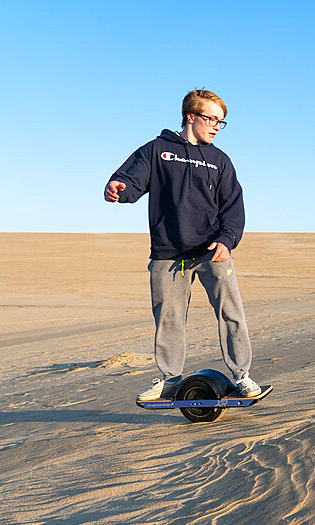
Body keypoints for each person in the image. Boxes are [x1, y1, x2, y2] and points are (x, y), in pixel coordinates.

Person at [104, 88, 264, 401]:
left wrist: (226, 241)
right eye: (211, 119)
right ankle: (170, 380)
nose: (217, 126)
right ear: (190, 116)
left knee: (231, 313)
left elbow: (233, 205)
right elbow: (131, 179)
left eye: (222, 122)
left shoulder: (220, 160)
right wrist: (118, 187)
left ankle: (242, 376)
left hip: (211, 252)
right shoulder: (157, 150)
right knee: (169, 319)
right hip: (168, 253)